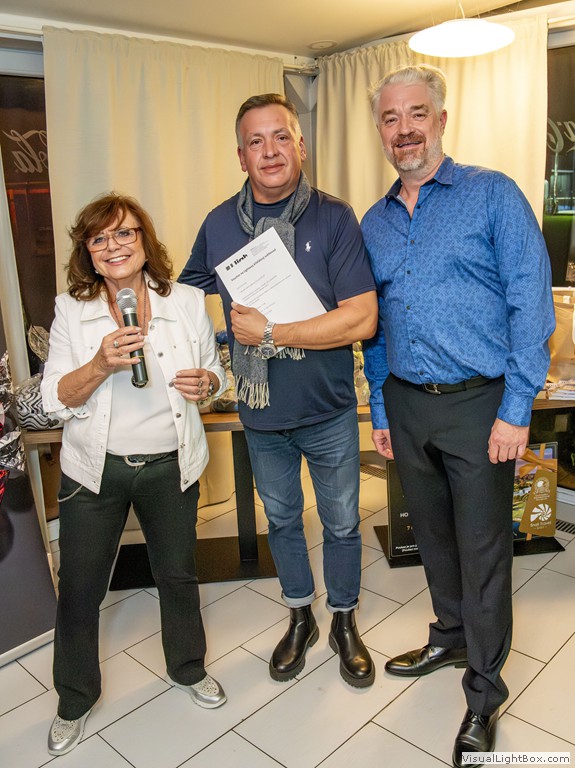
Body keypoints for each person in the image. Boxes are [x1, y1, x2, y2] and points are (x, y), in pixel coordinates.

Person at [361, 65, 555, 767]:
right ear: (380, 130)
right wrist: (380, 403)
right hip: (407, 404)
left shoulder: (492, 194)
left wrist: (515, 409)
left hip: (480, 404)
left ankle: (483, 693)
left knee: (482, 551)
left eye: (417, 114)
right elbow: (374, 324)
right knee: (432, 539)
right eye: (390, 118)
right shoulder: (374, 221)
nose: (404, 129)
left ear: (440, 120)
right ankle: (448, 637)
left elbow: (530, 304)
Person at [179, 93, 378, 688]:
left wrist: (270, 332)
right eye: (256, 141)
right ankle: (300, 617)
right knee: (284, 521)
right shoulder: (218, 224)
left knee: (342, 523)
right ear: (241, 156)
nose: (270, 151)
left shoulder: (335, 218)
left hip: (328, 408)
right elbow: (180, 298)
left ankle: (343, 620)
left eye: (281, 137)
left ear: (301, 146)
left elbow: (361, 319)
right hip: (262, 414)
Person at [41, 193, 228, 757]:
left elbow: (213, 375)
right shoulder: (71, 311)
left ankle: (189, 668)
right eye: (99, 239)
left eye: (124, 233)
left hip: (170, 466)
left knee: (178, 575)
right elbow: (54, 399)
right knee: (80, 588)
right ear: (88, 254)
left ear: (145, 241)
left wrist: (208, 385)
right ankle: (74, 699)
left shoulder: (186, 301)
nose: (113, 246)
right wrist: (99, 364)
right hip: (94, 472)